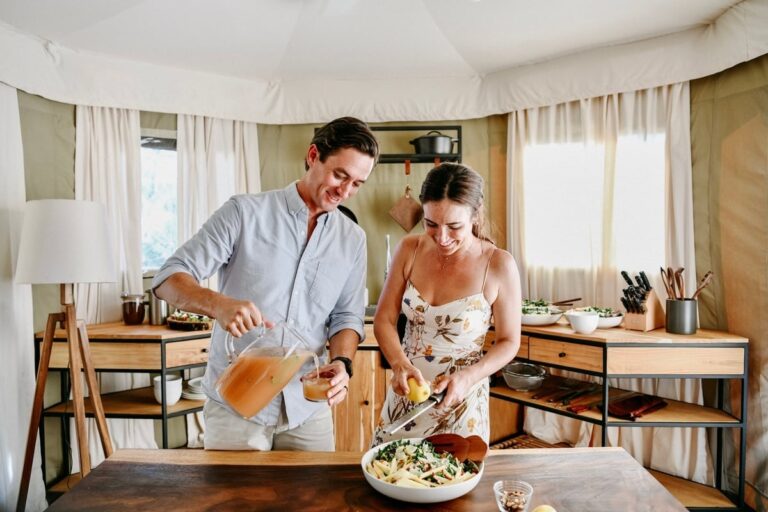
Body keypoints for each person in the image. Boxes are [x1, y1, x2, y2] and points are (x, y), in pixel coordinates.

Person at [153, 117, 379, 451]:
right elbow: (168, 278)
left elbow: (347, 317)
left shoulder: (353, 240)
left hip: (307, 408)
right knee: (235, 503)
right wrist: (219, 304)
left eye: (357, 183)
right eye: (340, 175)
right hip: (236, 406)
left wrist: (342, 362)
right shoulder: (244, 213)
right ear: (314, 155)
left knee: (314, 503)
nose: (345, 191)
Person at [371, 162, 522, 446]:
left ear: (475, 216)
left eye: (454, 226)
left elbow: (509, 341)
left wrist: (467, 378)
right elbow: (384, 320)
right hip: (405, 400)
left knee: (455, 485)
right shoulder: (409, 250)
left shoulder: (499, 264)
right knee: (387, 477)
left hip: (462, 405)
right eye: (431, 224)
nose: (441, 237)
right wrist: (399, 365)